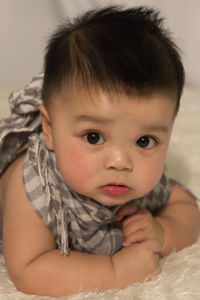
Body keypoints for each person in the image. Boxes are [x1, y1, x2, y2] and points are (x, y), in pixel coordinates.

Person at [0, 6, 199, 297]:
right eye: (94, 137)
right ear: (50, 130)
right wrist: (114, 271)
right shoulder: (34, 187)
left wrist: (163, 231)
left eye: (144, 141)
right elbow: (29, 269)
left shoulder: (140, 178)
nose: (120, 162)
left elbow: (187, 207)